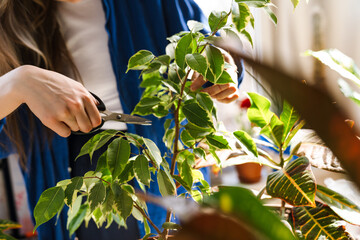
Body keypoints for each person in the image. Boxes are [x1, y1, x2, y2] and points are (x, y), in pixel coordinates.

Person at [0, 0, 242, 239]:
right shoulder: (11, 25)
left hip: (164, 159)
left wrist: (221, 66)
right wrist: (18, 83)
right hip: (78, 172)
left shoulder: (156, 5)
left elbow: (212, 48)